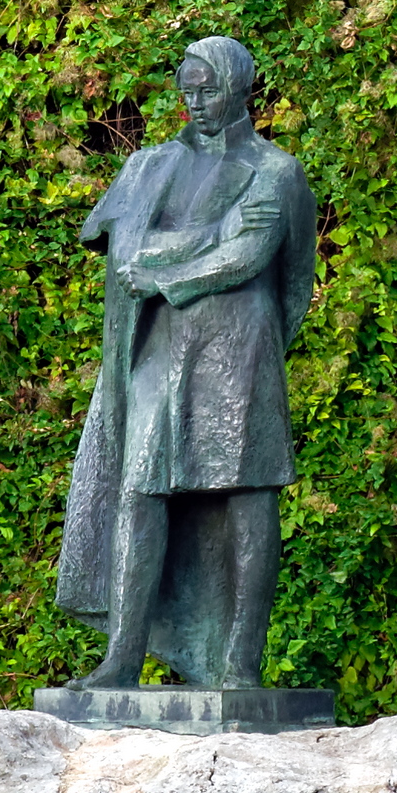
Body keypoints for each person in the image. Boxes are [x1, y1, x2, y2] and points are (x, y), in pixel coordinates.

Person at [51, 35, 317, 689]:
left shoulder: (274, 172)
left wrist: (166, 266)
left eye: (209, 88)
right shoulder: (149, 166)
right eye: (187, 88)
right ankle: (120, 659)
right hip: (160, 350)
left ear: (240, 87)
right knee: (140, 490)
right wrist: (192, 249)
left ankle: (238, 667)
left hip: (239, 348)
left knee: (248, 493)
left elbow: (256, 256)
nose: (195, 101)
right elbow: (112, 245)